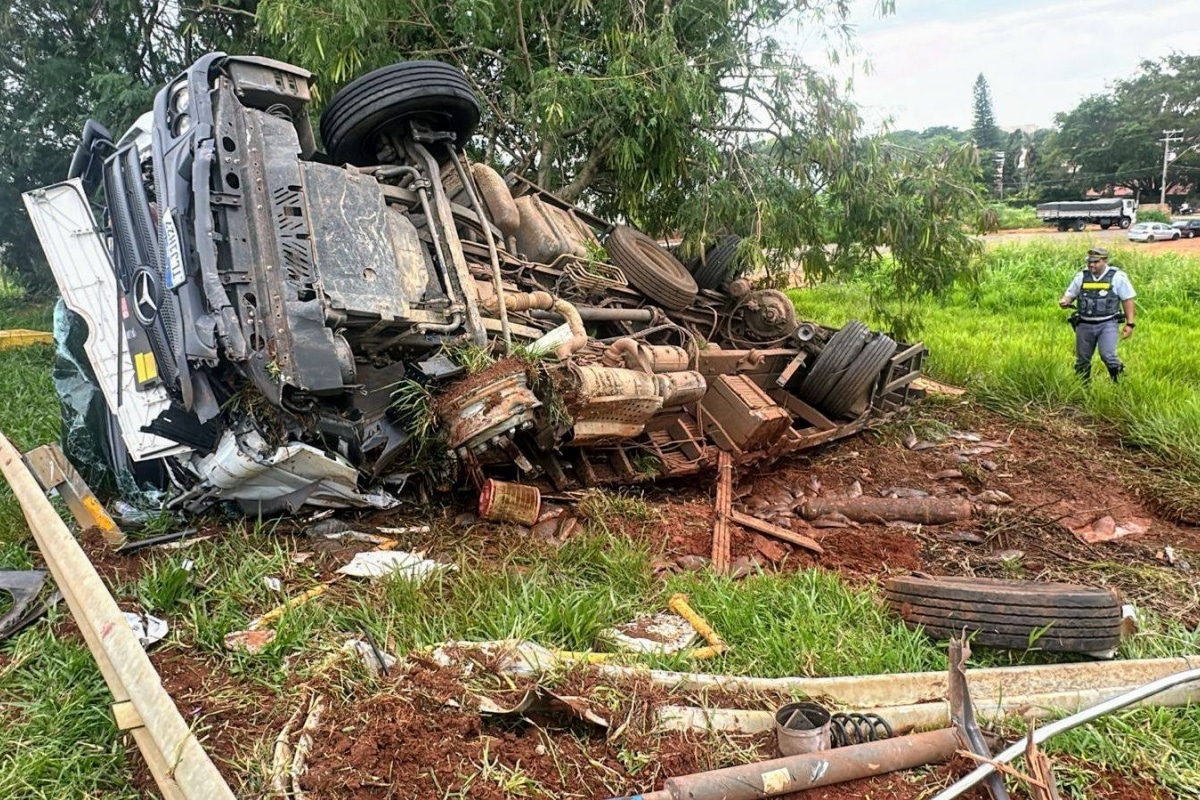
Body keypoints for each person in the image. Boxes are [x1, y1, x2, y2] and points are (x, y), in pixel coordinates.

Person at [1057, 247, 1136, 382]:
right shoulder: (1082, 276)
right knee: (1082, 359)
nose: (1091, 264)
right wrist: (1065, 301)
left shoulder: (1117, 277)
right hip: (1084, 324)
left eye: (1095, 261)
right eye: (1089, 261)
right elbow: (1070, 295)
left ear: (1105, 260)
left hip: (1107, 323)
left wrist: (1130, 324)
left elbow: (1127, 300)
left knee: (1108, 355)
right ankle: (1083, 388)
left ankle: (1120, 383)